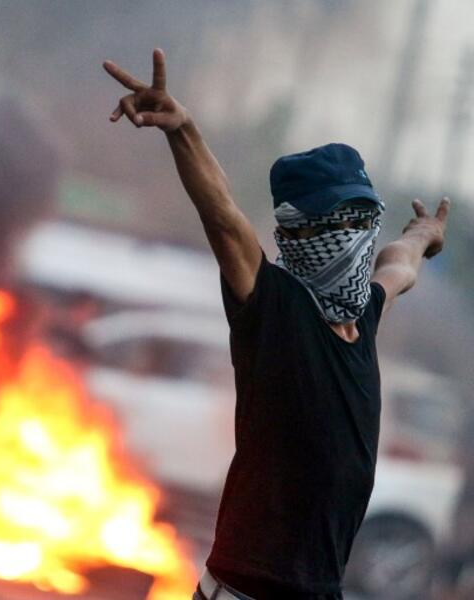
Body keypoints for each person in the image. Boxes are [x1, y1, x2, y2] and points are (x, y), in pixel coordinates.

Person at [103, 48, 450, 600]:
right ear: (298, 236)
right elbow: (222, 217)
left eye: (364, 219)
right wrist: (183, 129)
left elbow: (396, 264)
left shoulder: (365, 315)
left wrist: (423, 234)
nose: (355, 237)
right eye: (338, 224)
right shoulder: (276, 309)